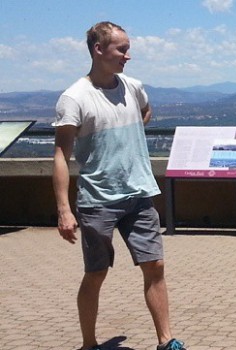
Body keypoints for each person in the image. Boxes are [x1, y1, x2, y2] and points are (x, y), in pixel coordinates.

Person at [52, 21, 186, 350]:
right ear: (99, 51)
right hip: (98, 200)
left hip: (139, 193)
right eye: (122, 49)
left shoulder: (134, 87)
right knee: (96, 273)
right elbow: (60, 155)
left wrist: (128, 139)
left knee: (155, 265)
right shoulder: (74, 98)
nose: (129, 55)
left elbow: (145, 110)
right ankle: (88, 344)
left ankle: (166, 341)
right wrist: (64, 210)